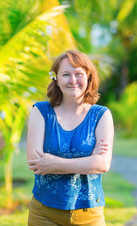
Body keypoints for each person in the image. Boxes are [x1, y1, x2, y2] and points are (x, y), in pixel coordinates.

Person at [27, 50, 114, 226]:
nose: (73, 80)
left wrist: (54, 163)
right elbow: (36, 163)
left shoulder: (101, 115)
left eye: (79, 74)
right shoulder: (41, 112)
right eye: (66, 74)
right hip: (44, 213)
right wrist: (89, 161)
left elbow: (102, 164)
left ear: (88, 77)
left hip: (89, 214)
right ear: (56, 79)